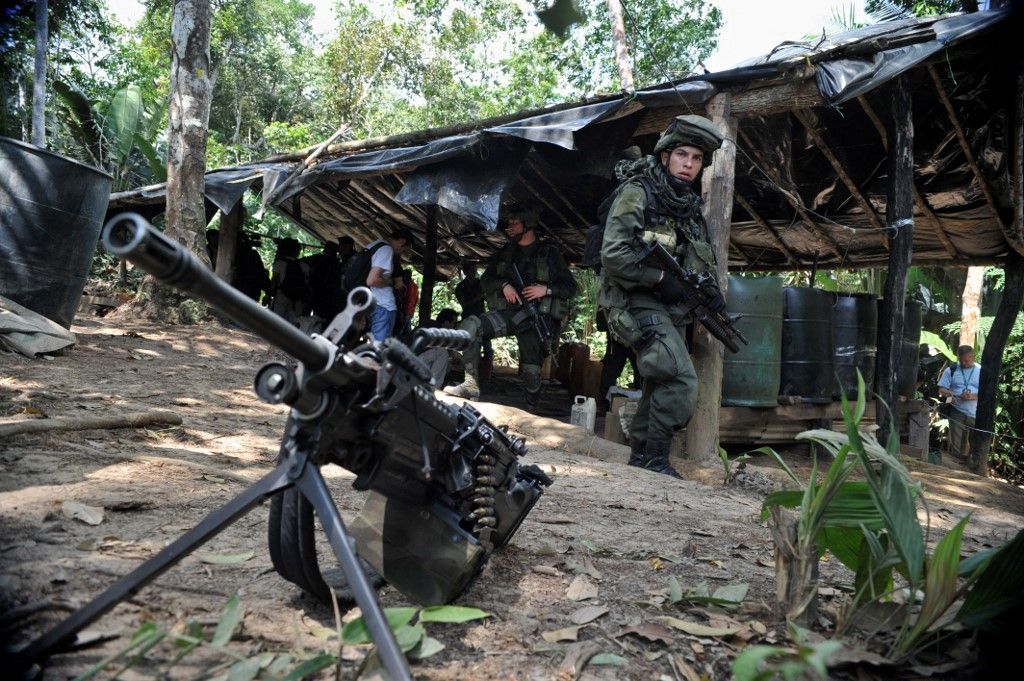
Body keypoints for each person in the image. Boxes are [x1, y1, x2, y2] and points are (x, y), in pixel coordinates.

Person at [597, 114, 724, 478]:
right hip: (632, 297)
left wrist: (709, 291)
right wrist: (660, 278)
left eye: (697, 159)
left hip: (668, 304)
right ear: (665, 155)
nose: (689, 164)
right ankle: (654, 458)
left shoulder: (687, 207)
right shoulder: (638, 192)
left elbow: (698, 259)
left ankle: (643, 458)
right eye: (682, 154)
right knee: (680, 380)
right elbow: (614, 254)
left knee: (661, 380)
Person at [444, 206, 576, 411]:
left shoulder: (549, 253)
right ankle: (470, 385)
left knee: (532, 374)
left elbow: (570, 287)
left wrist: (546, 290)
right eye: (510, 222)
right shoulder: (506, 252)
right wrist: (503, 285)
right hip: (510, 313)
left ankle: (530, 409)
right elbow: (486, 279)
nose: (510, 226)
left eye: (515, 222)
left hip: (535, 319)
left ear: (528, 224)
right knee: (470, 325)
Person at [365, 228, 413, 341]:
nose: (401, 253)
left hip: (373, 302)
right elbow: (372, 280)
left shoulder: (374, 245)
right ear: (402, 241)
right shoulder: (386, 250)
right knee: (380, 348)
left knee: (376, 344)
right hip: (383, 306)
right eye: (404, 249)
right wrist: (392, 283)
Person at [938, 344, 982, 469]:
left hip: (976, 412)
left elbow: (987, 393)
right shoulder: (951, 370)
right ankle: (954, 469)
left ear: (973, 356)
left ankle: (973, 468)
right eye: (961, 360)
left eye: (967, 360)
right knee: (956, 443)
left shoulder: (981, 371)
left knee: (976, 443)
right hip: (957, 410)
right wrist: (950, 394)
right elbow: (941, 389)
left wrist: (972, 396)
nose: (964, 362)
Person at [455, 260, 493, 376]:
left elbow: (487, 298)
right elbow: (465, 304)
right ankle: (471, 373)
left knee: (487, 347)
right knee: (470, 347)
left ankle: (487, 372)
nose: (474, 272)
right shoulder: (460, 287)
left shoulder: (479, 283)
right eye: (472, 270)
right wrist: (479, 297)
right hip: (469, 321)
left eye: (475, 270)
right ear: (465, 271)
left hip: (482, 320)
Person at [417, 308, 460, 387]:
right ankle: (431, 388)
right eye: (454, 323)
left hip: (414, 360)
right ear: (447, 322)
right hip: (414, 361)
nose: (454, 326)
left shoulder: (430, 325)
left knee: (446, 360)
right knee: (443, 353)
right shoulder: (437, 329)